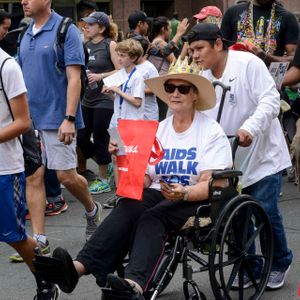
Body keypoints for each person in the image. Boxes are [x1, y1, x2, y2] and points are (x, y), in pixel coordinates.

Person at [32, 57, 232, 299]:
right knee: (128, 206)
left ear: (195, 95)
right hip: (159, 191)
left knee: (152, 217)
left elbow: (214, 184)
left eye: (183, 88)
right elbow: (145, 179)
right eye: (170, 88)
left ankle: (134, 284)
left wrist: (185, 192)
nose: (175, 93)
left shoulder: (211, 131)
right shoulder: (159, 129)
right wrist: (124, 158)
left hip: (194, 198)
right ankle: (76, 269)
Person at [185, 22, 293, 289]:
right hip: (228, 156)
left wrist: (250, 128)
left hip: (262, 152)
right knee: (236, 215)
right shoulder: (203, 77)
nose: (195, 56)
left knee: (265, 210)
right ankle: (250, 265)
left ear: (218, 44)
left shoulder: (247, 64)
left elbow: (270, 99)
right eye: (192, 50)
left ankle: (280, 261)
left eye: (199, 49)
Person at [19, 0, 101, 241]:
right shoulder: (24, 32)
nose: (23, 1)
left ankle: (91, 210)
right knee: (33, 177)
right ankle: (40, 240)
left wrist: (69, 117)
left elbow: (74, 78)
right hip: (29, 121)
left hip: (58, 118)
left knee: (66, 176)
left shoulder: (66, 30)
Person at [0, 47, 59, 299]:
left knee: (14, 236)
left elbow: (23, 122)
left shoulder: (7, 66)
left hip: (4, 167)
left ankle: (46, 279)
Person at [76, 11, 120, 195]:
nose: (86, 27)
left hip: (105, 98)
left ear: (101, 28)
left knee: (101, 138)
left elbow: (120, 70)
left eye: (91, 24)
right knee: (81, 138)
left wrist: (101, 76)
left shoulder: (110, 44)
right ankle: (106, 163)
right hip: (87, 98)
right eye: (86, 24)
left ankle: (102, 179)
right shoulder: (84, 45)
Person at [221, 0, 299, 65]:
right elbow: (220, 50)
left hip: (269, 79)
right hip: (235, 78)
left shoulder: (288, 18)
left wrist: (268, 58)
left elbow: (295, 59)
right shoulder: (232, 12)